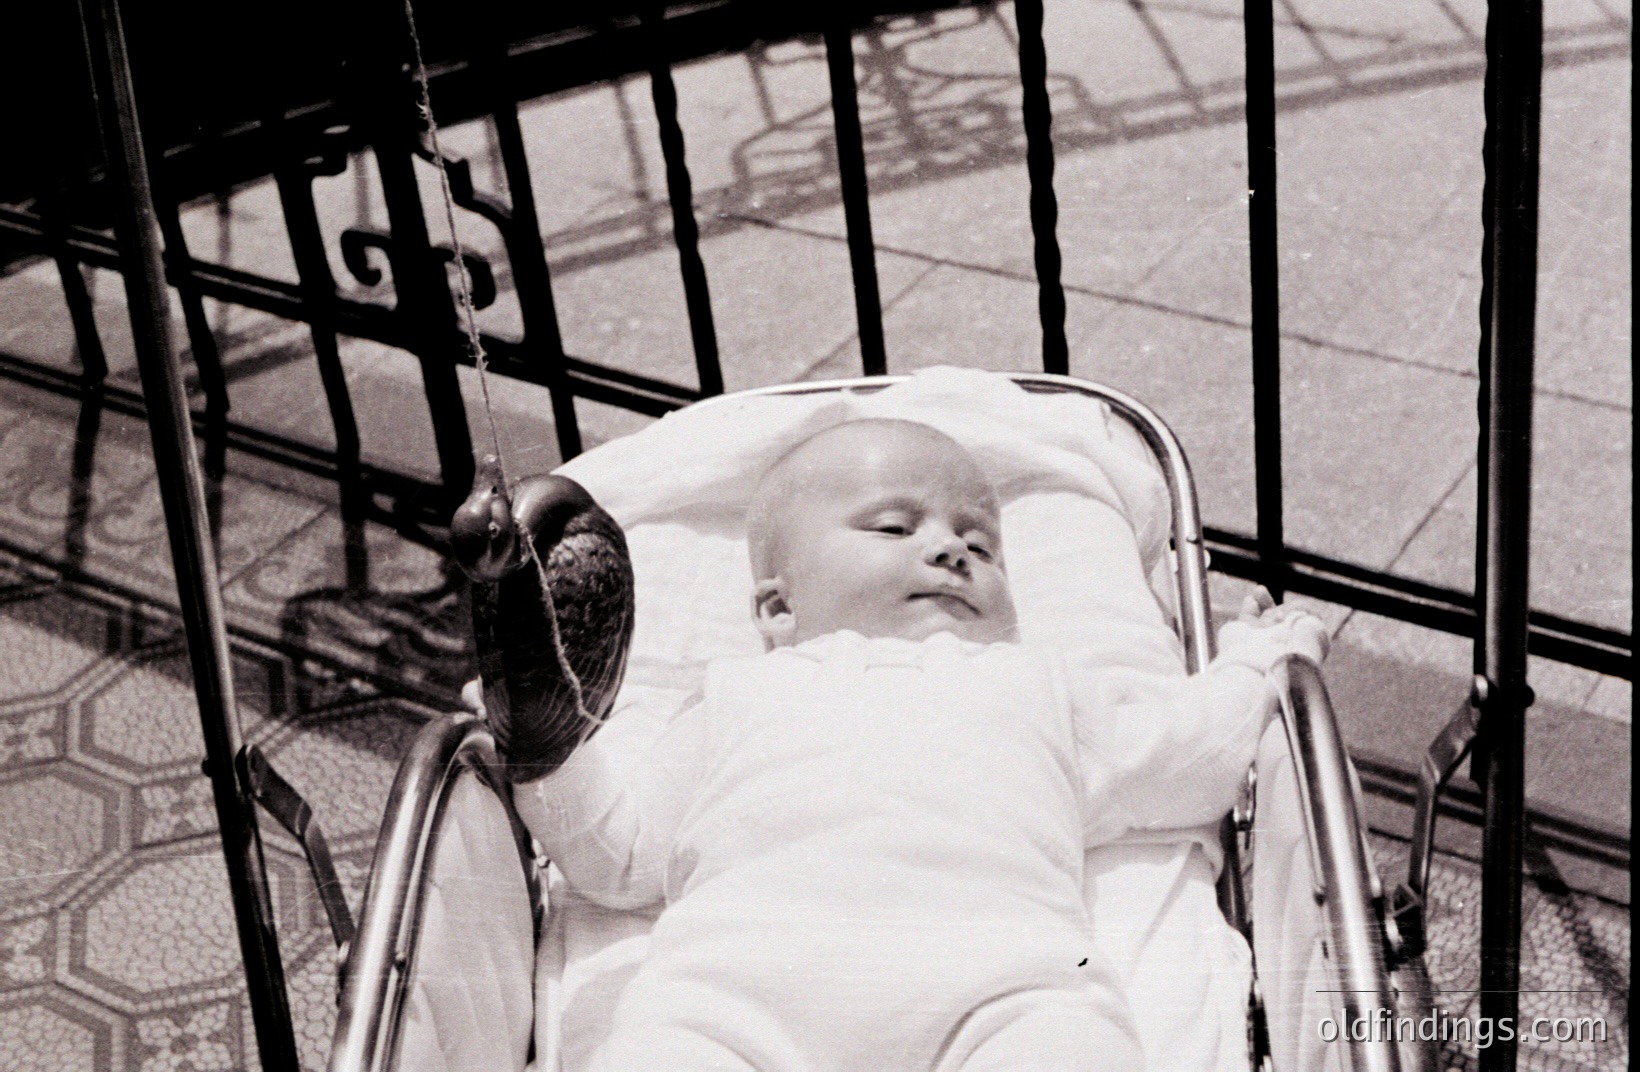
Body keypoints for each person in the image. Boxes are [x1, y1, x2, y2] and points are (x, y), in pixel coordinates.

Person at [492, 419, 1327, 1071]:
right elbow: (621, 851)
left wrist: (1258, 660)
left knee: (1072, 1044)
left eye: (981, 543)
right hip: (734, 996)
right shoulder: (735, 695)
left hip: (1001, 992)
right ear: (777, 610)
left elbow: (1191, 755)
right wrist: (551, 749)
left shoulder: (1039, 684)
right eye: (894, 528)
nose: (950, 547)